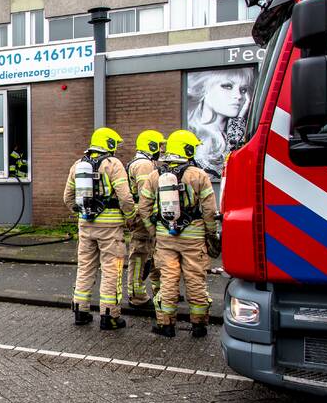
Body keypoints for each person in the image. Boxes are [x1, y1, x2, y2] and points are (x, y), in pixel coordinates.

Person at [136, 129, 219, 338]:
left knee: (168, 280)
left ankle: (166, 325)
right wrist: (210, 234)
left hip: (165, 238)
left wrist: (155, 231)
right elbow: (209, 210)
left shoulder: (155, 175)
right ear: (187, 149)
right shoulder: (199, 175)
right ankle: (199, 325)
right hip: (194, 237)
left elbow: (144, 208)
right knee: (195, 279)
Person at [63, 127, 138, 330]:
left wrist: (82, 213)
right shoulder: (113, 164)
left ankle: (80, 310)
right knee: (111, 270)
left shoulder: (78, 165)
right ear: (110, 144)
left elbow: (67, 198)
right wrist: (131, 219)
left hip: (86, 226)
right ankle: (109, 316)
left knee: (85, 267)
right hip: (110, 229)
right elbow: (125, 198)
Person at [185, 68, 253, 177]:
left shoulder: (240, 132)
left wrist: (239, 119)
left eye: (243, 90)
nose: (239, 96)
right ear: (203, 89)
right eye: (227, 86)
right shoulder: (190, 134)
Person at [125, 130, 164, 307]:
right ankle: (137, 296)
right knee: (140, 256)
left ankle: (160, 290)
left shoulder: (143, 163)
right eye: (159, 145)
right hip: (143, 219)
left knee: (154, 255)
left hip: (145, 217)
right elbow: (146, 196)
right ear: (151, 145)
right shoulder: (144, 165)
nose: (161, 150)